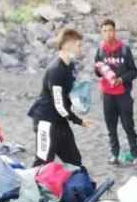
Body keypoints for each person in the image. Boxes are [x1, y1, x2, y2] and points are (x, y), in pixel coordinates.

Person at [28, 28, 92, 167]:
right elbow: (59, 105)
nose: (81, 48)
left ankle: (78, 187)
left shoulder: (71, 66)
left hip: (60, 121)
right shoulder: (55, 70)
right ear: (67, 45)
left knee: (74, 160)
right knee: (43, 162)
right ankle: (32, 187)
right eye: (78, 45)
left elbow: (69, 92)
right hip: (45, 120)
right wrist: (78, 121)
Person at [94, 19, 137, 166]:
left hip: (123, 94)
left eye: (110, 30)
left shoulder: (125, 49)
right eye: (105, 31)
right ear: (102, 33)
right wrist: (99, 69)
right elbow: (98, 71)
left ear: (115, 31)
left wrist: (121, 79)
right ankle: (115, 154)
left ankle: (135, 155)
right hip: (108, 94)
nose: (108, 33)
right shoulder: (100, 50)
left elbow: (134, 71)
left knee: (128, 125)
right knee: (111, 126)